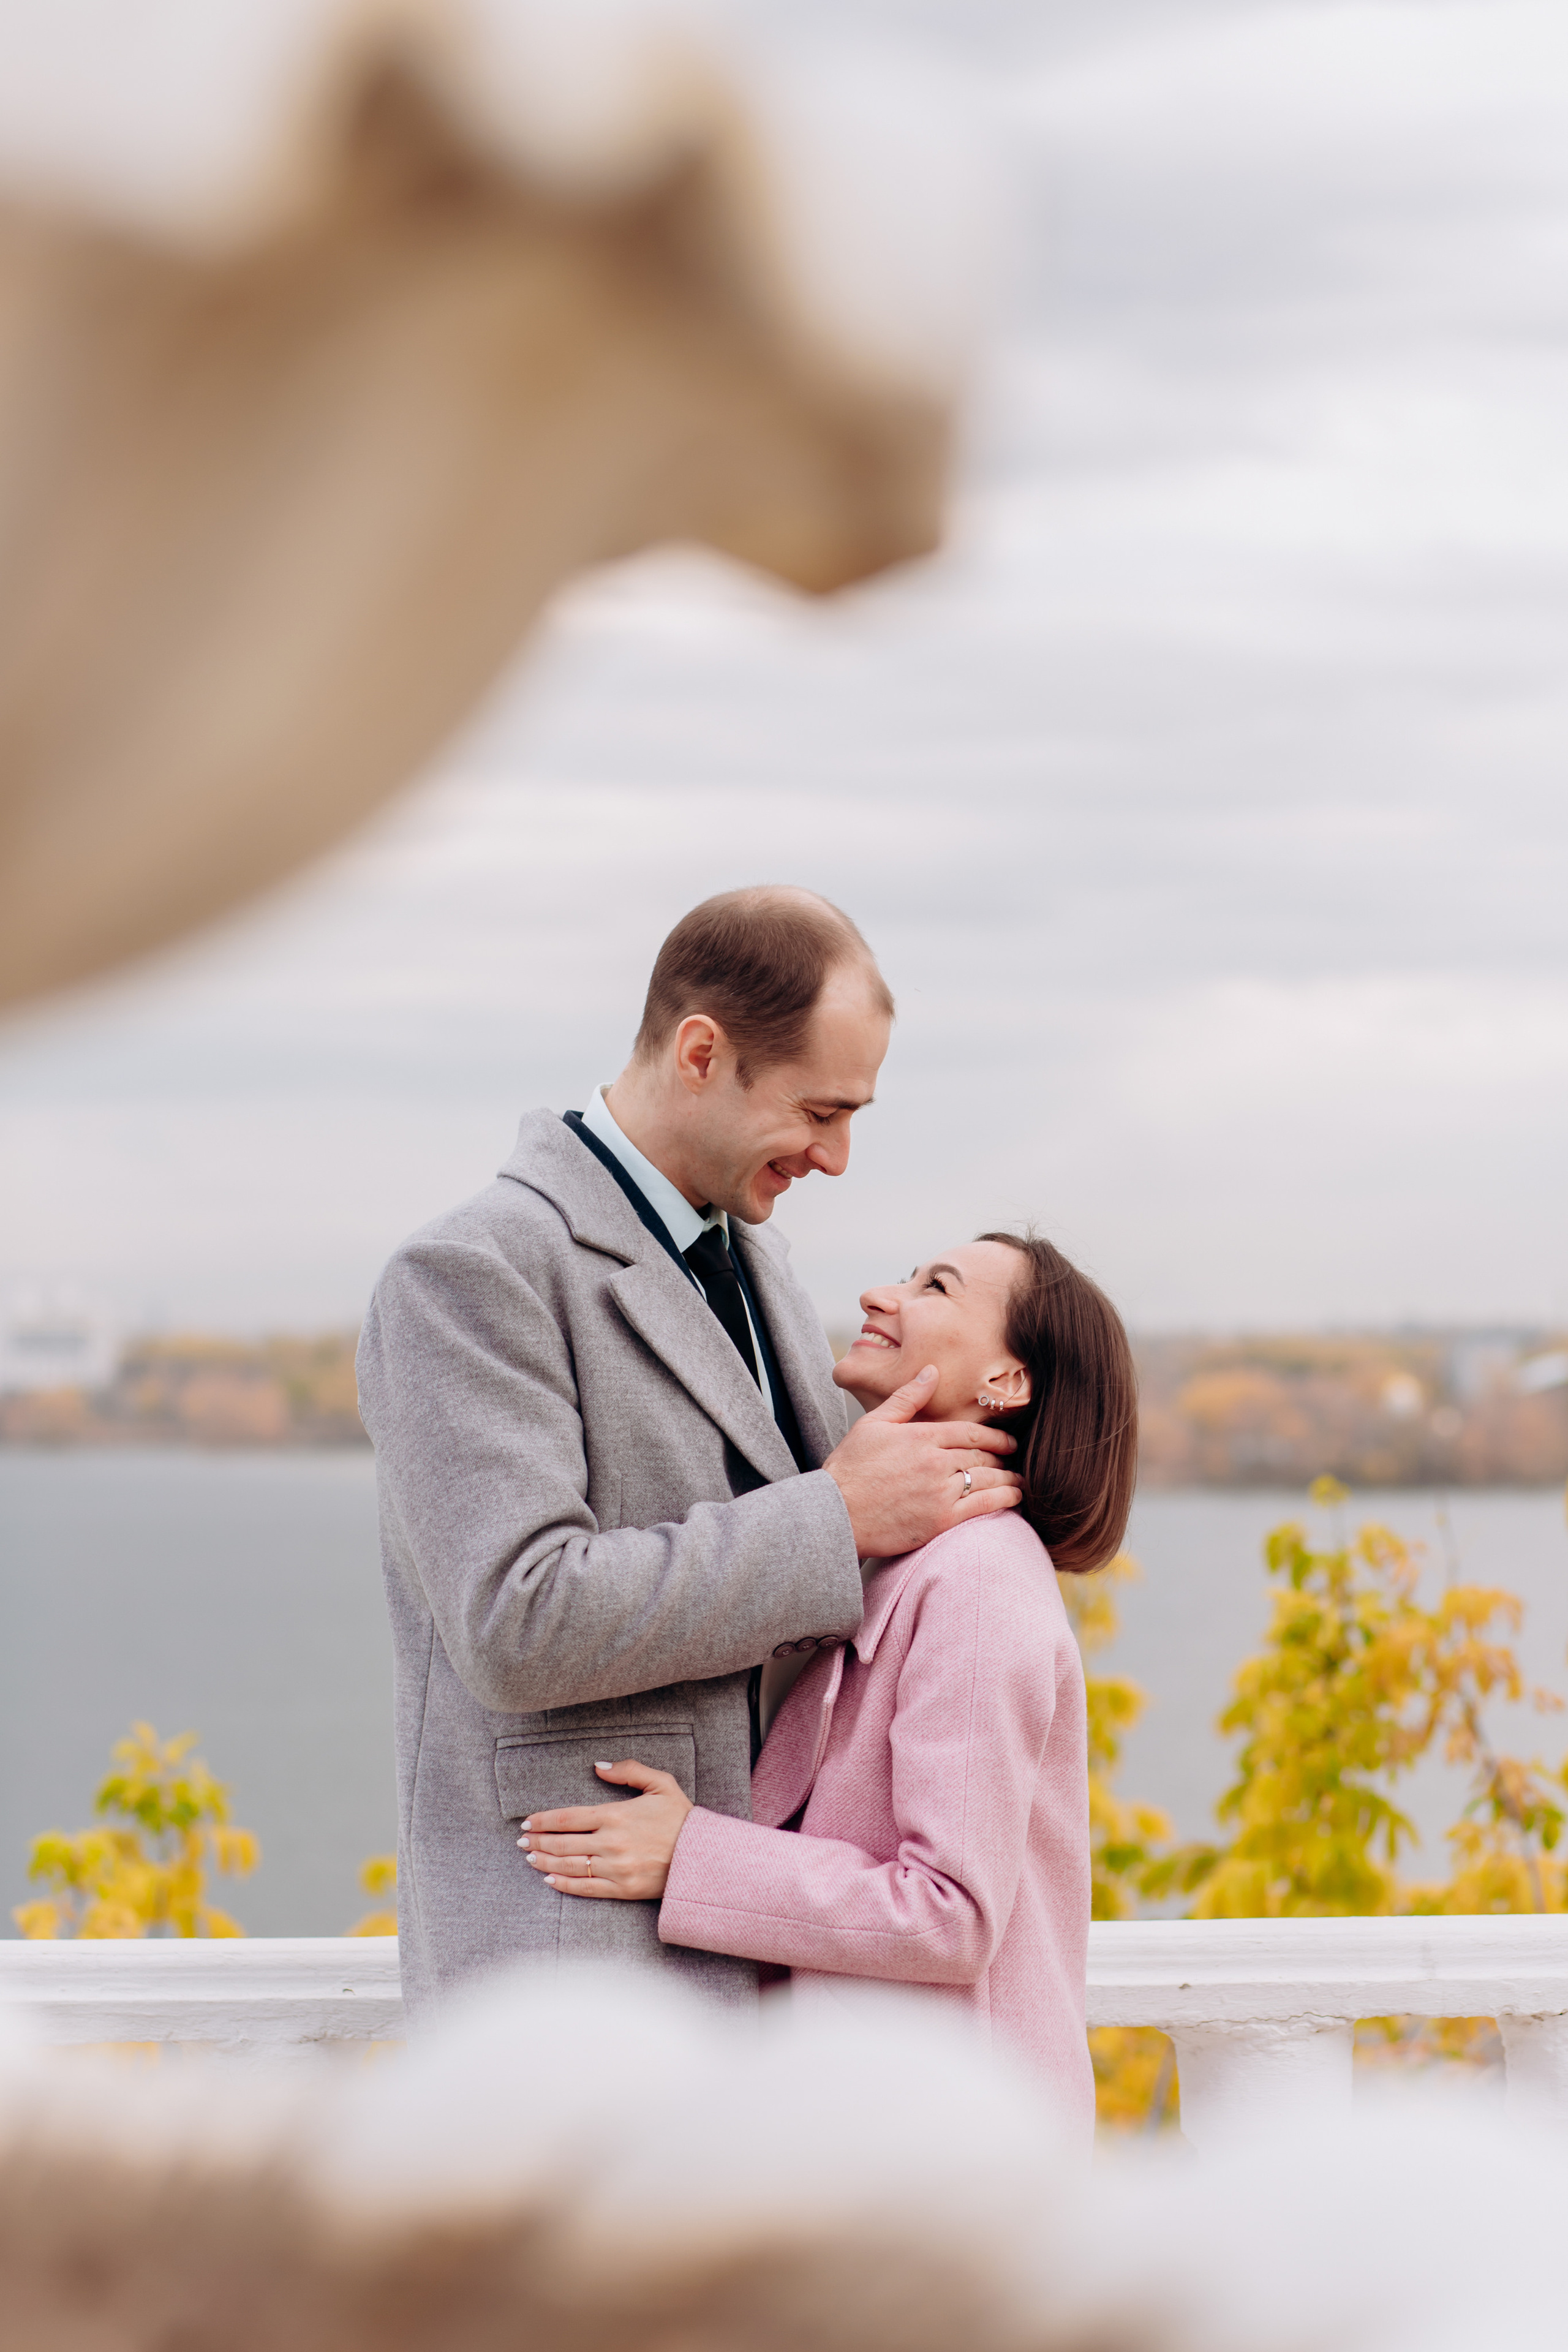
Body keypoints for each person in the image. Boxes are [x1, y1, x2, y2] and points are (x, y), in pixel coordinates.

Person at [356, 887, 1023, 2017]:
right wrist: (839, 1518)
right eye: (820, 1110)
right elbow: (516, 1622)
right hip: (567, 1987)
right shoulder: (469, 1275)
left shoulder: (757, 1263)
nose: (839, 1154)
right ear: (703, 1053)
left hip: (771, 1982)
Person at [515, 1232, 1137, 2131]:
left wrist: (688, 1853)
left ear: (1007, 1381)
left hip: (955, 2154)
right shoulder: (907, 1558)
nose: (883, 1295)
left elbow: (950, 1913)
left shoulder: (973, 1580)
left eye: (937, 1288)